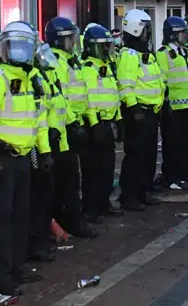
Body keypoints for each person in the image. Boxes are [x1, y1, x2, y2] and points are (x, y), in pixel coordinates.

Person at [0, 21, 52, 297]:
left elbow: (39, 119)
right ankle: (0, 276)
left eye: (24, 46)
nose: (20, 51)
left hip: (23, 158)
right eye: (15, 46)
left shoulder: (33, 79)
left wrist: (44, 151)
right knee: (0, 220)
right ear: (5, 49)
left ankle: (17, 266)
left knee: (21, 216)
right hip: (1, 158)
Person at [44, 18, 98, 238]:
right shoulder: (57, 61)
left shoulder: (69, 60)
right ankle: (70, 222)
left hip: (73, 125)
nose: (73, 42)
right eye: (69, 39)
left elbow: (81, 93)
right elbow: (62, 97)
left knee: (71, 178)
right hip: (63, 128)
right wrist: (73, 122)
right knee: (67, 180)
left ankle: (71, 220)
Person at [116, 10, 164, 209]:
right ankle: (129, 196)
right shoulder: (129, 55)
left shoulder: (146, 54)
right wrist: (133, 107)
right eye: (145, 29)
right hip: (138, 112)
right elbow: (125, 84)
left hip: (150, 112)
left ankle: (143, 191)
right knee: (136, 155)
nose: (148, 33)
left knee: (149, 155)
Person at [27, 41, 68, 264]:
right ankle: (36, 243)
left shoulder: (42, 76)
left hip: (46, 142)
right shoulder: (32, 77)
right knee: (37, 195)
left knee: (44, 193)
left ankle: (42, 239)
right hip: (33, 146)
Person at [78, 24, 122, 219]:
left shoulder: (106, 66)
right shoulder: (88, 68)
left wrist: (119, 119)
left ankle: (104, 202)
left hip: (108, 123)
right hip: (95, 125)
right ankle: (91, 208)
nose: (106, 49)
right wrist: (94, 123)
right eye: (102, 45)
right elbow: (89, 98)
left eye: (107, 45)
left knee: (107, 168)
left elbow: (113, 94)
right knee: (93, 170)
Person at [158, 16, 188, 187]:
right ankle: (171, 176)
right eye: (181, 33)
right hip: (174, 108)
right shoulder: (163, 53)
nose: (185, 36)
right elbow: (161, 79)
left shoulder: (185, 51)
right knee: (172, 144)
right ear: (172, 35)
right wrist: (165, 102)